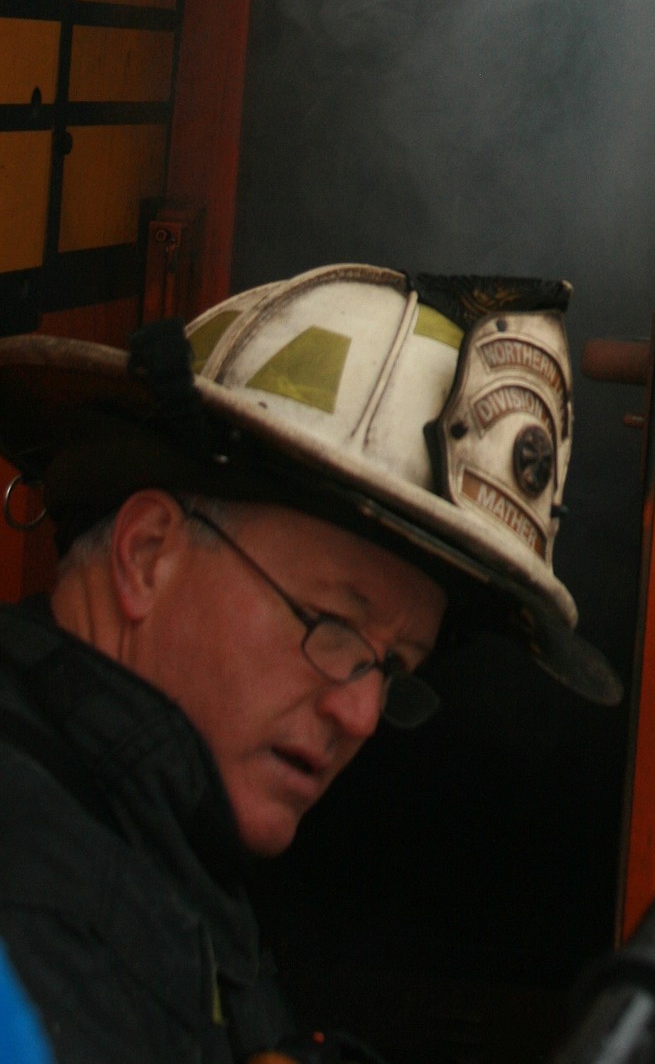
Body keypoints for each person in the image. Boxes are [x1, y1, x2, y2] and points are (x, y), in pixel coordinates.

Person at [0, 264, 619, 1064]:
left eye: (390, 669)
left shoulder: (144, 835)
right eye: (330, 624)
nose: (359, 715)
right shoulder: (38, 907)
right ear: (147, 555)